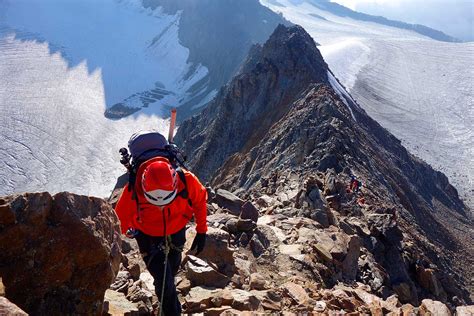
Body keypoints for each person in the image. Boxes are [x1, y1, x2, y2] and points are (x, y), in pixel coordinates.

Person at [115, 156, 208, 316]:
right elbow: (117, 222)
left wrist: (202, 230)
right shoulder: (133, 190)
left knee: (171, 271)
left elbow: (200, 200)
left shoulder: (186, 180)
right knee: (162, 278)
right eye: (155, 203)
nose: (161, 207)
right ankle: (171, 311)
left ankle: (167, 297)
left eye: (166, 201)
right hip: (148, 236)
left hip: (175, 230)